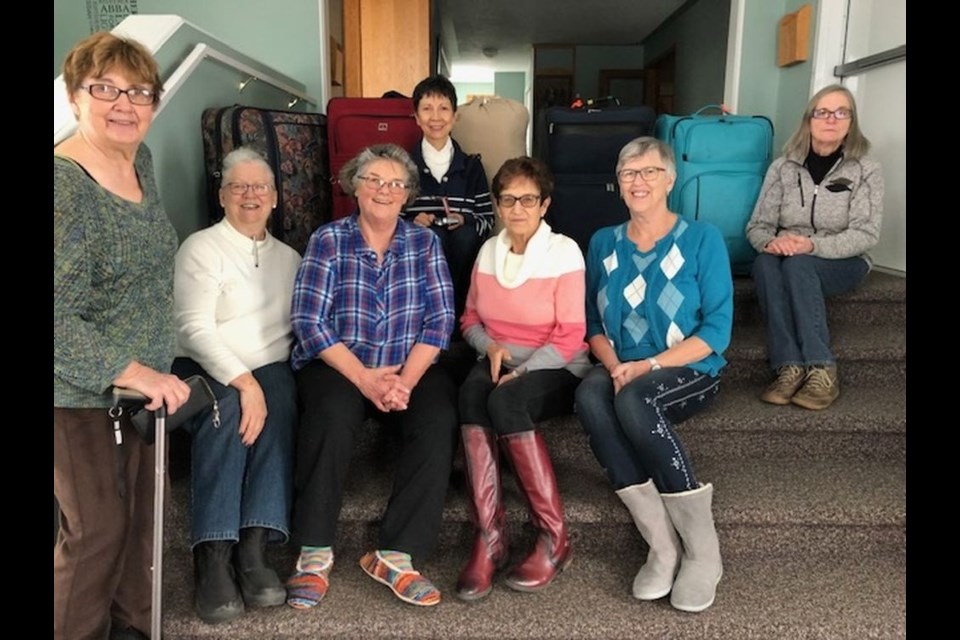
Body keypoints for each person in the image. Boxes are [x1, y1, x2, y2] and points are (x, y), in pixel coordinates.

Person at [54, 32, 192, 640]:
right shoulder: (62, 186)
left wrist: (150, 374)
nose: (124, 104)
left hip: (142, 394)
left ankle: (135, 631)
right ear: (75, 95)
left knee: (140, 526)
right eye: (104, 88)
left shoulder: (143, 161)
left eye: (139, 92)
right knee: (97, 532)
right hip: (79, 395)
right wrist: (132, 370)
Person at [285, 144, 458, 609]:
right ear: (354, 187)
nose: (384, 190)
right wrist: (364, 379)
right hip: (341, 365)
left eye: (395, 183)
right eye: (373, 180)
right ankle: (314, 550)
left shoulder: (425, 244)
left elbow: (439, 321)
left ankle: (396, 554)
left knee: (438, 415)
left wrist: (404, 381)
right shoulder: (328, 239)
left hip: (408, 366)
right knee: (330, 412)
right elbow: (309, 320)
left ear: (407, 195)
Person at [574, 137, 733, 614]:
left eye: (648, 171)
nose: (637, 181)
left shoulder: (702, 239)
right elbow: (590, 323)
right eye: (628, 173)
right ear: (618, 184)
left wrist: (646, 365)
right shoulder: (604, 241)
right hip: (621, 364)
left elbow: (717, 330)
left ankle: (704, 553)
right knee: (589, 396)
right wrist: (614, 364)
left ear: (669, 178)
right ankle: (662, 547)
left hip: (688, 364)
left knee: (634, 399)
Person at [171, 147, 302, 624]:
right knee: (226, 408)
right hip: (207, 365)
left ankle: (254, 547)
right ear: (223, 195)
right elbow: (192, 329)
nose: (251, 195)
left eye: (260, 187)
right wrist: (244, 383)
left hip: (269, 365)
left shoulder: (289, 258)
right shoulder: (201, 247)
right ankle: (213, 553)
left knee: (284, 399)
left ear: (274, 198)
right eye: (239, 186)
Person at [456, 157, 590, 601]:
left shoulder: (564, 252)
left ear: (544, 204)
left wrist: (524, 371)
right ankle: (490, 538)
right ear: (496, 204)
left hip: (556, 366)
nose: (517, 208)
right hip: (498, 359)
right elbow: (470, 318)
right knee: (471, 397)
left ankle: (554, 539)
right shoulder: (488, 252)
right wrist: (488, 348)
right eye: (508, 198)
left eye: (527, 199)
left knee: (507, 403)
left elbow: (571, 335)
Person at [746, 84, 883, 411]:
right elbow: (757, 226)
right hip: (790, 254)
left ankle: (822, 367)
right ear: (809, 120)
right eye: (822, 112)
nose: (831, 119)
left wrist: (811, 245)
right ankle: (788, 366)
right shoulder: (783, 167)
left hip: (844, 260)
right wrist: (771, 242)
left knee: (799, 264)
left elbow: (866, 233)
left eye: (841, 113)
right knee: (764, 264)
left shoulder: (865, 168)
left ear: (851, 122)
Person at [403, 74, 494, 329]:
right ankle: (438, 319)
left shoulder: (472, 167)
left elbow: (488, 220)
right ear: (417, 116)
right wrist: (414, 223)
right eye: (427, 109)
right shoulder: (402, 166)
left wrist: (464, 219)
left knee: (464, 236)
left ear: (455, 116)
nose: (435, 117)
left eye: (443, 109)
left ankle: (458, 319)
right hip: (417, 265)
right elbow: (389, 220)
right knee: (434, 237)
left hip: (464, 263)